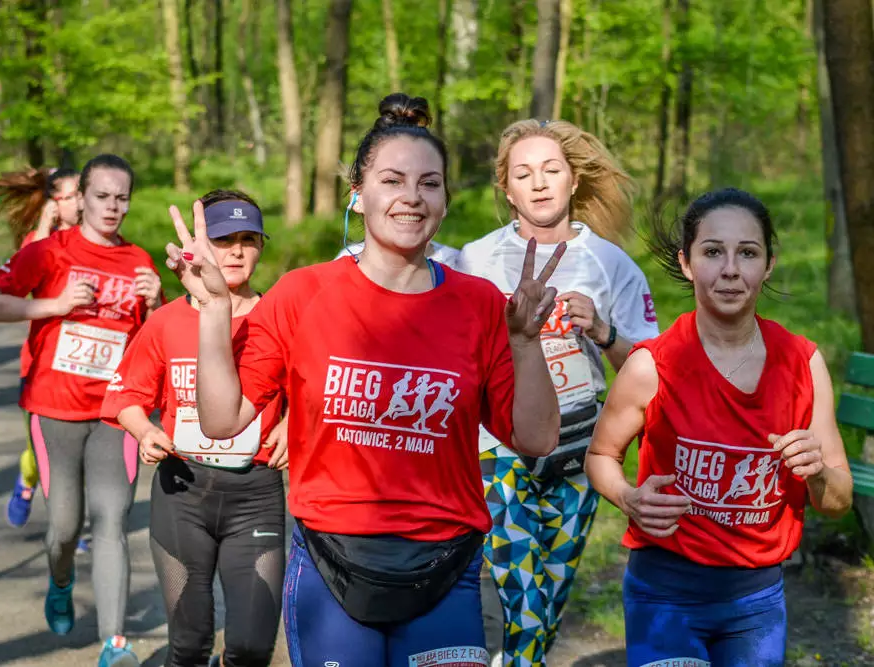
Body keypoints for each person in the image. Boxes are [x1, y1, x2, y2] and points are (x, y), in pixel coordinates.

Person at [165, 93, 563, 667]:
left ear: (446, 202)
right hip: (332, 564)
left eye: (430, 184)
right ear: (359, 192)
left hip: (445, 567)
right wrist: (213, 310)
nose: (411, 197)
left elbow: (537, 438)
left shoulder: (478, 304)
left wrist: (526, 343)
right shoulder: (303, 294)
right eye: (392, 180)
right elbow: (223, 419)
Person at [584, 188, 854, 666]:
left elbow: (837, 500)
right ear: (687, 263)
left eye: (747, 253)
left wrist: (816, 472)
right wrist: (628, 497)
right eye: (713, 252)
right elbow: (601, 456)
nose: (730, 269)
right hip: (664, 591)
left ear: (768, 264)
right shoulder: (653, 365)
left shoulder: (803, 364)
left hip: (756, 599)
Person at [458, 119, 659, 667]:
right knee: (522, 598)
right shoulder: (474, 260)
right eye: (524, 174)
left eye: (552, 170)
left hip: (580, 450)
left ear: (573, 180)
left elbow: (651, 372)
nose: (539, 183)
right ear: (507, 189)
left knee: (551, 592)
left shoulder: (611, 264)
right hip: (499, 448)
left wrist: (603, 333)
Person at [0, 154, 162, 667]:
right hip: (54, 408)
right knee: (64, 527)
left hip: (114, 412)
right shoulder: (50, 251)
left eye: (121, 197)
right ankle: (59, 582)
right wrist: (54, 306)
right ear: (80, 197)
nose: (112, 206)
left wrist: (154, 304)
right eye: (102, 196)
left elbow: (152, 344)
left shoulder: (139, 263)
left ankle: (114, 643)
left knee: (111, 519)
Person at [104, 189, 288, 667]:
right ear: (200, 250)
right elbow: (125, 396)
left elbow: (317, 391)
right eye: (224, 240)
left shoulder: (281, 318)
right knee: (188, 644)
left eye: (249, 239)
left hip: (256, 496)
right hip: (182, 492)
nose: (237, 251)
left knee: (250, 646)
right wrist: (144, 432)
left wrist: (292, 423)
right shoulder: (166, 322)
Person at [0, 166, 83, 528]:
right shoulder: (38, 242)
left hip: (88, 371)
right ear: (53, 204)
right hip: (42, 365)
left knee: (82, 457)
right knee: (40, 452)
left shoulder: (99, 242)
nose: (79, 203)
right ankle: (27, 480)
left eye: (81, 194)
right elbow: (21, 279)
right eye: (70, 196)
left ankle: (77, 525)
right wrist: (45, 226)